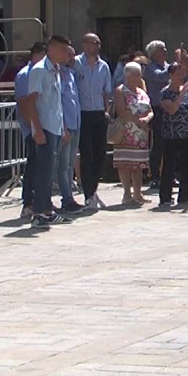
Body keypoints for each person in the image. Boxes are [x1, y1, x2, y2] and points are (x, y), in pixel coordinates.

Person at [20, 35, 77, 229]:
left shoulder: (56, 70)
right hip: (44, 127)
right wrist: (36, 129)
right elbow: (31, 100)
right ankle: (38, 212)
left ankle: (47, 210)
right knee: (44, 171)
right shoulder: (39, 70)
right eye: (62, 50)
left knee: (50, 169)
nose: (65, 54)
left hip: (54, 126)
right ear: (52, 49)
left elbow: (55, 103)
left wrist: (62, 128)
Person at [75, 33, 112, 207]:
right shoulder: (75, 63)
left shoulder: (103, 66)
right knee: (87, 154)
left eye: (98, 42)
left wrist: (107, 111)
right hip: (82, 113)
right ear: (84, 44)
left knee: (100, 154)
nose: (97, 46)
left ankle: (94, 190)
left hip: (98, 113)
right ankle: (88, 193)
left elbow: (106, 91)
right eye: (93, 43)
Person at [157, 61, 188, 208]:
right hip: (171, 135)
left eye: (183, 74)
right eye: (178, 74)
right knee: (169, 166)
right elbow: (172, 109)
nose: (181, 77)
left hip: (187, 134)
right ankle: (165, 197)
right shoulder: (165, 92)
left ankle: (185, 196)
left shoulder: (187, 90)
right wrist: (180, 95)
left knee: (186, 166)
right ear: (171, 75)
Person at [111, 62, 152, 205]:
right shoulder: (120, 91)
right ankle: (127, 194)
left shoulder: (142, 92)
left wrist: (147, 118)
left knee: (138, 164)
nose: (140, 77)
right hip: (126, 132)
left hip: (140, 135)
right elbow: (121, 111)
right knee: (125, 164)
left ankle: (138, 193)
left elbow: (150, 110)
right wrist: (137, 120)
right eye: (137, 74)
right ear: (128, 75)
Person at [15, 42, 47, 216]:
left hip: (44, 126)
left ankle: (42, 202)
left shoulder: (43, 72)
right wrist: (34, 129)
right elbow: (23, 103)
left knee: (43, 166)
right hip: (32, 128)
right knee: (33, 165)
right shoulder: (25, 75)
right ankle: (28, 202)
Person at [55, 45, 84, 214]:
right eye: (69, 55)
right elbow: (57, 103)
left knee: (71, 164)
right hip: (65, 126)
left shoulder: (72, 74)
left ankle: (69, 197)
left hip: (76, 124)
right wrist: (63, 127)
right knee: (64, 165)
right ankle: (67, 198)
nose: (72, 58)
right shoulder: (57, 75)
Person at [143, 41, 172, 186]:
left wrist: (182, 65)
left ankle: (169, 174)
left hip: (172, 108)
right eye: (162, 49)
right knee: (158, 144)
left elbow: (187, 76)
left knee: (171, 144)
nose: (166, 51)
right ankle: (155, 176)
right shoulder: (149, 68)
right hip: (158, 109)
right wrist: (175, 67)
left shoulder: (169, 66)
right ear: (154, 53)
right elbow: (162, 77)